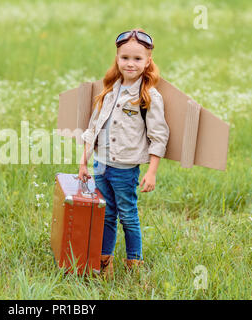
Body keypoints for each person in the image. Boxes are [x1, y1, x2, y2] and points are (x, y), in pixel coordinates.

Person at [78, 29, 169, 278]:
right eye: (125, 57)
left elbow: (158, 136)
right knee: (106, 214)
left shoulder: (148, 96)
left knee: (128, 216)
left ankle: (134, 265)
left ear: (148, 61)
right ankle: (104, 262)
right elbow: (93, 127)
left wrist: (151, 172)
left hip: (125, 169)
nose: (130, 63)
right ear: (117, 58)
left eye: (137, 59)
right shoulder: (109, 90)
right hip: (101, 165)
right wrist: (84, 162)